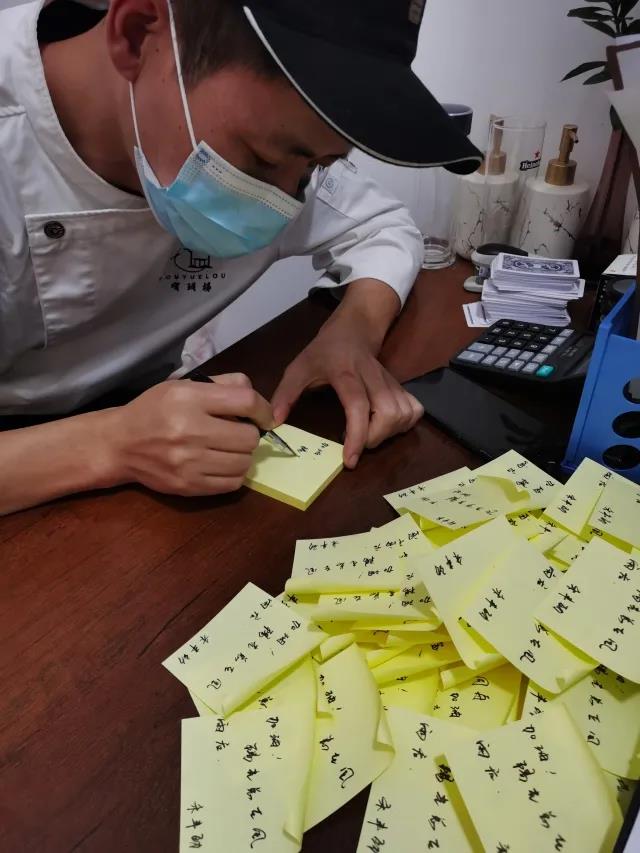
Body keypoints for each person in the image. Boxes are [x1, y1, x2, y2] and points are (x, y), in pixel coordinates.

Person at [0, 0, 481, 515]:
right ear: (137, 35)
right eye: (264, 159)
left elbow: (383, 226)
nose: (284, 200)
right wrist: (110, 443)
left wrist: (354, 331)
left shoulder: (280, 150)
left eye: (317, 167)